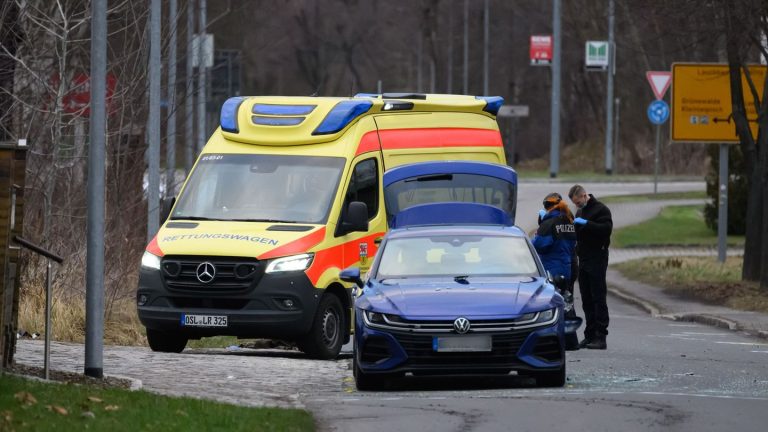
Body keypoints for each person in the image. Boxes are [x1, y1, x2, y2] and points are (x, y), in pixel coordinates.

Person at [568, 184, 613, 350]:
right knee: (586, 299)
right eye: (575, 204)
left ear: (585, 195)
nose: (577, 206)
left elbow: (606, 229)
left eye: (578, 202)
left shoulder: (601, 210)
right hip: (584, 259)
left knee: (598, 297)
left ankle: (601, 336)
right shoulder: (580, 212)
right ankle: (590, 334)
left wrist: (587, 224)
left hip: (597, 257)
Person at [532, 192, 577, 291]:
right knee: (567, 301)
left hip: (552, 272)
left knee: (554, 303)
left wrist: (534, 237)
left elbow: (538, 246)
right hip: (568, 269)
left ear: (547, 207)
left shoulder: (549, 223)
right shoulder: (569, 220)